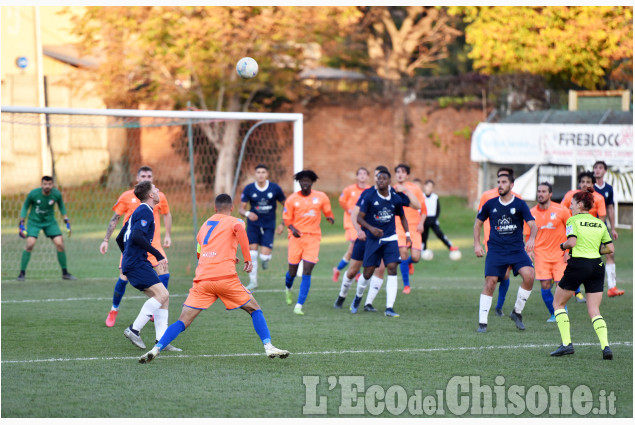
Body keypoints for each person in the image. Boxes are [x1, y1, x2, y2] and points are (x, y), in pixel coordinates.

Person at [138, 194, 289, 363]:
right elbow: (240, 231)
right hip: (225, 278)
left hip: (203, 280)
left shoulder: (204, 226)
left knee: (183, 321)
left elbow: (200, 253)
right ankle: (268, 346)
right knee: (254, 309)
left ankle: (156, 348)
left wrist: (229, 257)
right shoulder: (235, 221)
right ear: (231, 208)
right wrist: (247, 258)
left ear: (215, 208)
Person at [334, 165, 419, 312]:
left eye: (383, 177)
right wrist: (359, 231)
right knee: (354, 271)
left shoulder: (392, 192)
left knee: (382, 268)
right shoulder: (367, 194)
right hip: (365, 237)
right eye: (377, 176)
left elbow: (415, 205)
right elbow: (355, 215)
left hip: (386, 237)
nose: (380, 179)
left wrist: (404, 189)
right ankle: (342, 296)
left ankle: (369, 304)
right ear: (374, 177)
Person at [100, 166, 172, 328]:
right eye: (144, 175)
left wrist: (168, 235)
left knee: (164, 273)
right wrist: (106, 239)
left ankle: (157, 306)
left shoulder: (159, 196)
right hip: (133, 244)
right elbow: (116, 218)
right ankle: (114, 310)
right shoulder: (128, 197)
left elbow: (167, 214)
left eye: (149, 175)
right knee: (123, 278)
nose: (147, 177)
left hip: (154, 244)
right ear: (137, 178)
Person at [550, 191, 615, 360]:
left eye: (572, 203)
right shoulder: (600, 223)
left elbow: (572, 242)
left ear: (579, 204)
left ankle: (566, 345)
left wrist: (562, 246)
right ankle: (606, 347)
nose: (570, 206)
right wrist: (594, 249)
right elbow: (610, 249)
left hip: (579, 265)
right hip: (597, 266)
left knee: (557, 303)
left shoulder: (573, 220)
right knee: (594, 310)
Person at [116, 181, 179, 352]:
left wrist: (128, 255)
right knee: (163, 293)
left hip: (135, 262)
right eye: (155, 189)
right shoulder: (145, 211)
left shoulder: (138, 211)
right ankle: (134, 329)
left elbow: (120, 238)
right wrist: (157, 255)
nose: (158, 190)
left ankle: (161, 341)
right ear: (151, 195)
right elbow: (136, 236)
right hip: (137, 263)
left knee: (163, 297)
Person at [474, 173, 537, 333]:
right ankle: (482, 323)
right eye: (498, 182)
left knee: (529, 276)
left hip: (516, 249)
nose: (500, 185)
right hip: (496, 250)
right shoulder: (490, 204)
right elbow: (478, 223)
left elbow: (533, 225)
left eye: (504, 182)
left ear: (512, 185)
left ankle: (517, 312)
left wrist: (531, 239)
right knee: (490, 282)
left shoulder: (520, 204)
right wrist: (476, 244)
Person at [354, 168, 411, 317]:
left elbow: (403, 217)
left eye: (384, 179)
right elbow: (359, 218)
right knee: (367, 273)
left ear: (389, 182)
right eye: (379, 179)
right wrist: (371, 229)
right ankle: (358, 297)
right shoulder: (370, 196)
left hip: (390, 238)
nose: (380, 181)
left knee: (392, 268)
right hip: (373, 239)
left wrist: (408, 235)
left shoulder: (395, 198)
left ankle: (389, 308)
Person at [283, 170, 335, 315]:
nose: (305, 183)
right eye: (302, 181)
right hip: (296, 238)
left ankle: (299, 305)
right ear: (299, 182)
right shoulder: (292, 199)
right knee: (292, 273)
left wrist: (329, 217)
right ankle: (288, 288)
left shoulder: (321, 197)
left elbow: (327, 211)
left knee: (307, 270)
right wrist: (292, 228)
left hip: (313, 238)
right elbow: (287, 219)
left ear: (312, 182)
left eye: (307, 181)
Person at [477, 167, 521, 317]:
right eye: (499, 179)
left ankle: (498, 306)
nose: (501, 183)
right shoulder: (487, 197)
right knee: (495, 276)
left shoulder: (517, 198)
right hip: (492, 241)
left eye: (505, 179)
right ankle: (489, 306)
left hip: (511, 243)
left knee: (506, 274)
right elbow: (480, 218)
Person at [525, 182, 571, 322]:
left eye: (544, 191)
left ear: (550, 194)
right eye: (539, 191)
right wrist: (528, 251)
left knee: (560, 285)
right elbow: (527, 235)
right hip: (541, 255)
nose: (541, 194)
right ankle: (554, 313)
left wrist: (568, 251)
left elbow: (571, 231)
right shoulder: (531, 213)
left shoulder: (562, 210)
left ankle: (562, 309)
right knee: (545, 285)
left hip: (559, 255)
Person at [560, 170, 607, 303]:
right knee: (570, 260)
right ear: (579, 183)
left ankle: (576, 290)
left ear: (593, 183)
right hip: (571, 231)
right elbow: (561, 211)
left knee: (580, 262)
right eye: (582, 182)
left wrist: (598, 237)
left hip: (589, 235)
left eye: (588, 182)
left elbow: (602, 218)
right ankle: (576, 291)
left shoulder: (598, 198)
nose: (585, 184)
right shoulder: (571, 195)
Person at [17, 176, 76, 281]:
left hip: (50, 222)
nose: (47, 186)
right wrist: (21, 221)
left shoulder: (56, 194)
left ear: (52, 185)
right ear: (41, 185)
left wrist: (66, 219)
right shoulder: (33, 194)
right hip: (34, 222)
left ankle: (65, 273)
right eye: (45, 184)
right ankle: (22, 273)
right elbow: (25, 206)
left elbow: (61, 206)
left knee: (60, 243)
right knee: (30, 244)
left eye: (49, 184)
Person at [238, 164, 287, 291]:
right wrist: (249, 213)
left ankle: (265, 260)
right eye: (258, 172)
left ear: (267, 174)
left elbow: (287, 206)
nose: (260, 174)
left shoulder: (275, 188)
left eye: (263, 172)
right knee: (252, 253)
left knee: (264, 256)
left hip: (269, 225)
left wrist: (283, 223)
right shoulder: (249, 189)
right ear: (255, 174)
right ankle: (253, 282)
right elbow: (241, 209)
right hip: (253, 225)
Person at [332, 167, 370, 283]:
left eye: (365, 174)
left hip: (364, 223)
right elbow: (342, 200)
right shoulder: (350, 189)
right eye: (360, 174)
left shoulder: (370, 190)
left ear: (368, 177)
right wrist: (348, 209)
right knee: (356, 245)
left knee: (351, 251)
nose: (362, 176)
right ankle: (357, 274)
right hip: (351, 223)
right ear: (357, 176)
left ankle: (338, 269)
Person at [393, 164, 426, 294]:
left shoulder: (415, 189)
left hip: (414, 226)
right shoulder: (392, 189)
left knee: (416, 257)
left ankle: (408, 263)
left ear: (407, 175)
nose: (400, 174)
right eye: (397, 172)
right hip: (399, 225)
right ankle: (407, 285)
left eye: (403, 172)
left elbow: (423, 209)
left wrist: (421, 223)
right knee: (403, 253)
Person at [593, 160, 623, 297]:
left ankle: (612, 288)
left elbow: (610, 208)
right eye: (595, 168)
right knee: (587, 256)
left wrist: (613, 228)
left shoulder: (608, 189)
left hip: (602, 227)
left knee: (610, 253)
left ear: (605, 171)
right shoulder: (589, 187)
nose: (597, 170)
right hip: (589, 227)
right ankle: (575, 288)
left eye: (600, 168)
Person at [421, 179, 459, 254]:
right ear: (425, 186)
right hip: (424, 220)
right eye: (428, 186)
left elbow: (438, 209)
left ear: (433, 188)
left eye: (431, 187)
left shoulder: (435, 197)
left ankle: (450, 246)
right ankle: (423, 250)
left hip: (433, 220)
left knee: (439, 234)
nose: (429, 188)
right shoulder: (421, 196)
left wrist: (434, 219)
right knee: (424, 236)